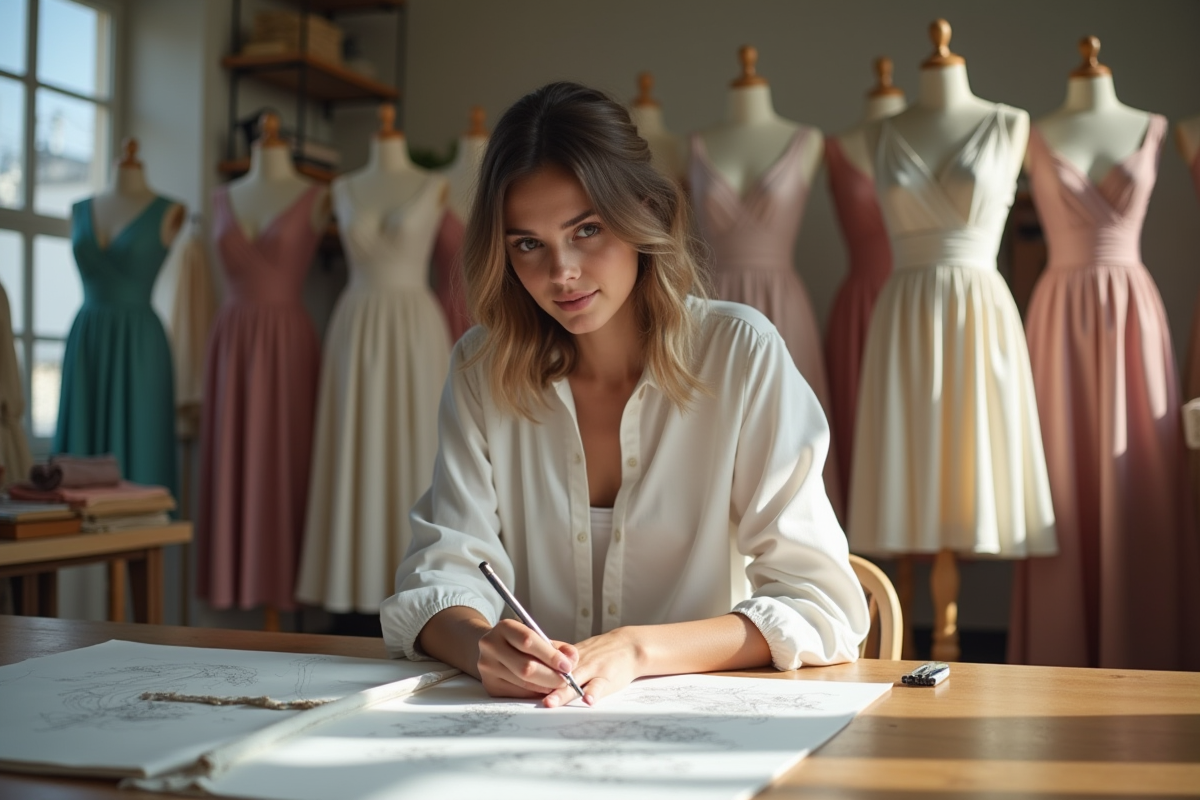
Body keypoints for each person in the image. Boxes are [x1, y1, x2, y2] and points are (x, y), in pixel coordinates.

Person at [380, 81, 868, 708]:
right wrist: (480, 646)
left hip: (708, 732)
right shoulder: (482, 367)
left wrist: (638, 652)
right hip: (527, 729)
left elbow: (821, 603)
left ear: (645, 214)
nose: (561, 273)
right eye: (528, 244)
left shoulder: (741, 353)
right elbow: (441, 569)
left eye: (586, 230)